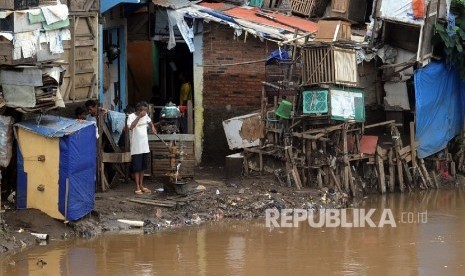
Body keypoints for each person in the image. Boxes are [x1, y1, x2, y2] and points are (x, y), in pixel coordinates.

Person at [127, 101, 157, 195]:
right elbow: (131, 127)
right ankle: (137, 187)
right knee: (137, 168)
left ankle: (141, 185)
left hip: (145, 146)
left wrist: (153, 127)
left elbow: (149, 120)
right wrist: (139, 117)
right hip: (136, 147)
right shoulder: (131, 117)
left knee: (143, 168)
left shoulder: (146, 116)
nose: (146, 113)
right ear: (139, 111)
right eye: (144, 111)